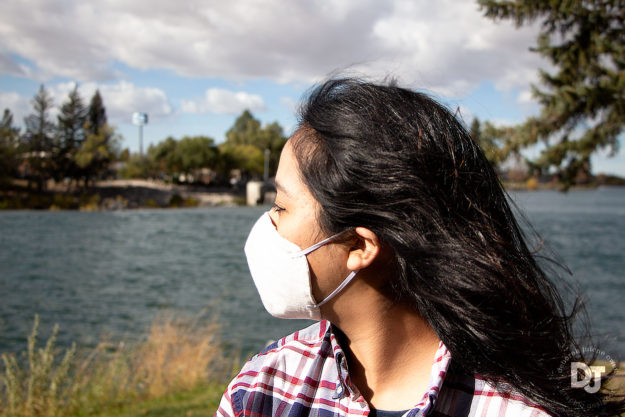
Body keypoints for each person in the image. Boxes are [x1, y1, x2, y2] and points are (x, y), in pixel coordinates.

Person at [215, 77, 624, 417]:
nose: (267, 225)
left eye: (281, 206)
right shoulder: (260, 390)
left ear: (359, 245)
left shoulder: (514, 409)